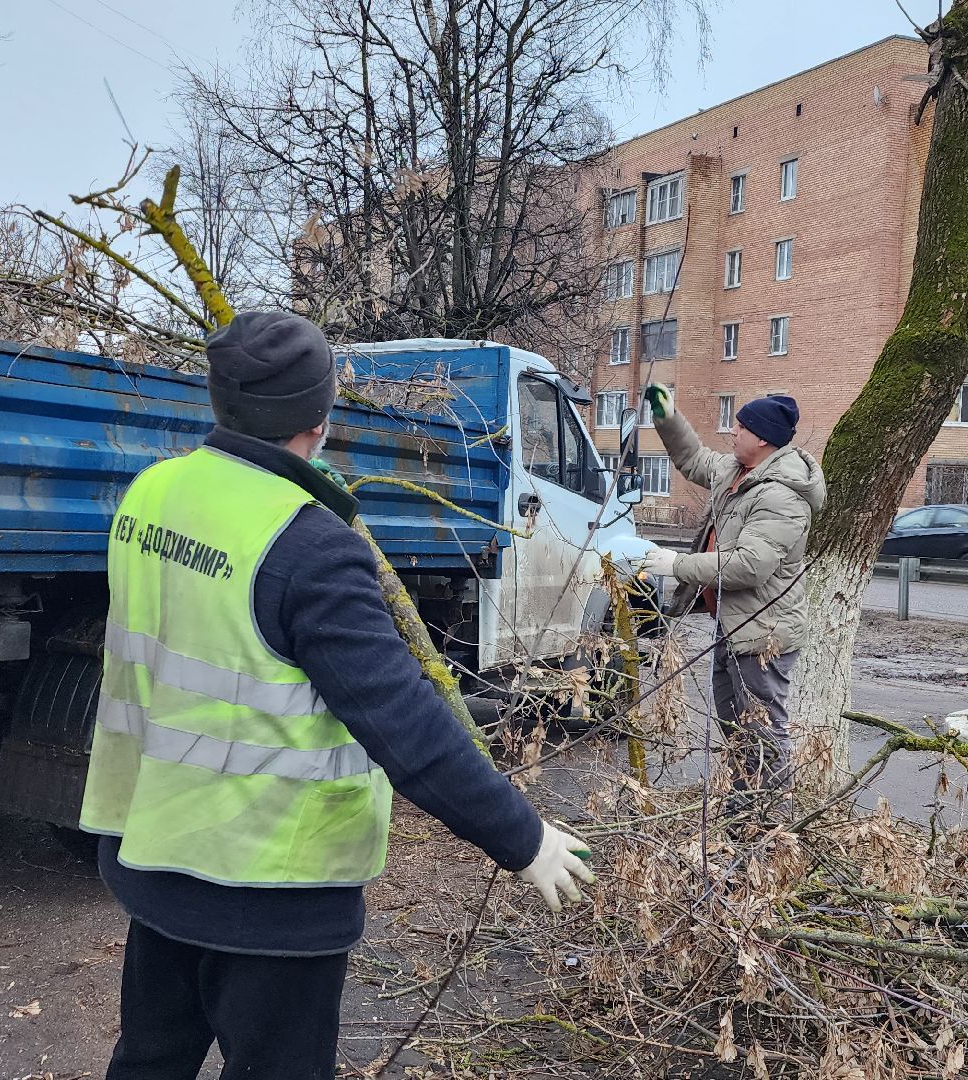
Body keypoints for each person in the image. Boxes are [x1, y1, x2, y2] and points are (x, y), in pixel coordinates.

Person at [79, 310, 596, 1080]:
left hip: (154, 855)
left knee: (151, 1059)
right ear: (320, 420)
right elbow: (406, 724)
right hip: (273, 888)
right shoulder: (310, 546)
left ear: (220, 401)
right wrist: (523, 837)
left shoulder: (153, 494)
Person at [637, 384, 826, 802]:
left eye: (739, 426)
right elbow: (692, 458)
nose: (732, 432)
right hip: (733, 626)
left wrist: (674, 565)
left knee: (760, 733)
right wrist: (668, 418)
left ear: (762, 439)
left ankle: (769, 828)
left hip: (762, 635)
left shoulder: (781, 496)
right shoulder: (737, 472)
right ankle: (743, 812)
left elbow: (748, 565)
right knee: (737, 729)